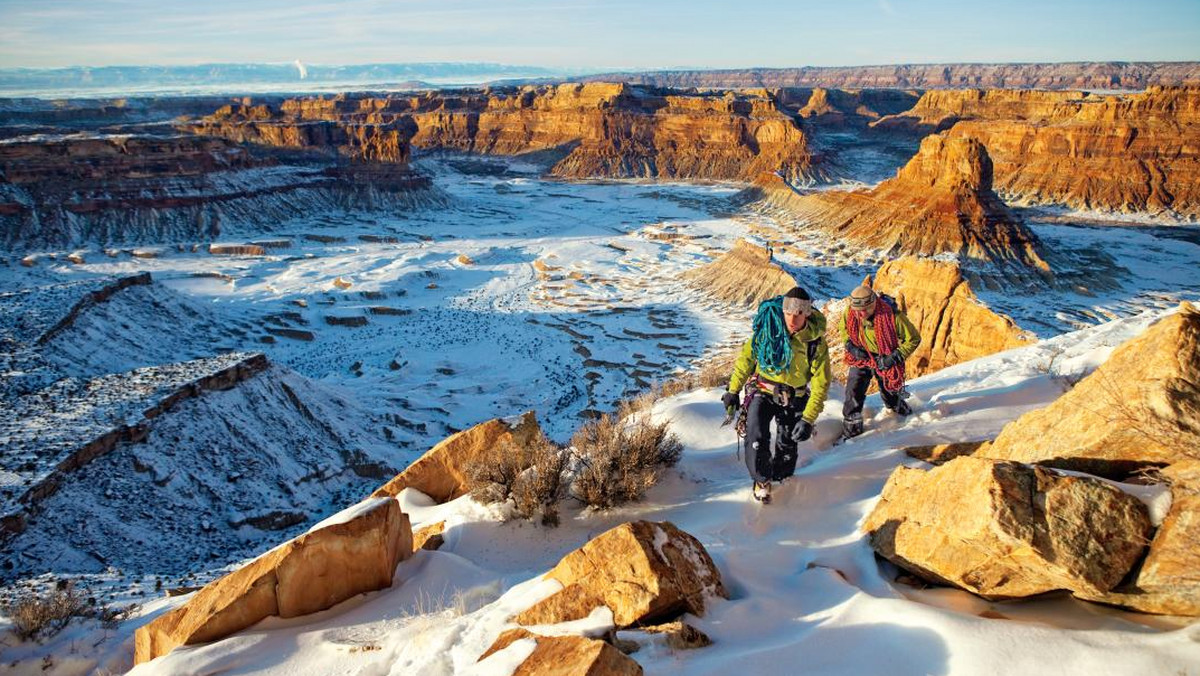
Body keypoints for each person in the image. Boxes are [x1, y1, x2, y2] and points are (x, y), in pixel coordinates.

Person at [723, 286, 831, 504]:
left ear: (807, 314)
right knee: (756, 435)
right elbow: (746, 360)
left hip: (796, 395)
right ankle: (762, 481)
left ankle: (783, 481)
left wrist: (808, 419)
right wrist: (733, 390)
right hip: (763, 390)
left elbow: (821, 383)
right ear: (782, 311)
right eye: (789, 313)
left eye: (799, 314)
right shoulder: (767, 332)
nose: (793, 319)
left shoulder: (815, 343)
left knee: (788, 443)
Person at [839, 284, 921, 440]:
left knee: (889, 393)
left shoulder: (892, 316)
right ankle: (851, 431)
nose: (860, 314)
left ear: (873, 305)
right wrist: (850, 345)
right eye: (857, 310)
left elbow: (913, 339)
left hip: (885, 358)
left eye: (864, 310)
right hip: (861, 358)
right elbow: (844, 328)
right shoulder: (851, 312)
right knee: (853, 392)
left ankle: (901, 411)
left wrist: (894, 357)